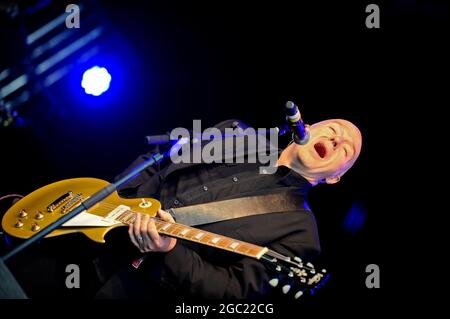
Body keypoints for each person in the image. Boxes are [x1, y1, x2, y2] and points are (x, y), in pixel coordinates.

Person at [95, 118, 362, 299]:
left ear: (333, 178)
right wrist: (113, 201)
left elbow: (230, 289)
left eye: (346, 150)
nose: (337, 140)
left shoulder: (301, 234)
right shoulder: (235, 133)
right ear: (307, 127)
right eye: (333, 129)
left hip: (129, 286)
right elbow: (157, 161)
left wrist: (170, 250)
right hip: (90, 228)